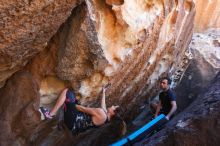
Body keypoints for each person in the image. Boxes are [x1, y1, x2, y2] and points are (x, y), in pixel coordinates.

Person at [40, 84, 124, 134]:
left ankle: (50, 114)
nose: (112, 105)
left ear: (113, 112)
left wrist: (72, 104)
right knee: (74, 100)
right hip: (74, 126)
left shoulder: (102, 114)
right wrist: (104, 91)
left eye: (114, 106)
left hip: (72, 121)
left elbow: (82, 109)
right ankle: (62, 124)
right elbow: (103, 105)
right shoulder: (106, 119)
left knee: (67, 92)